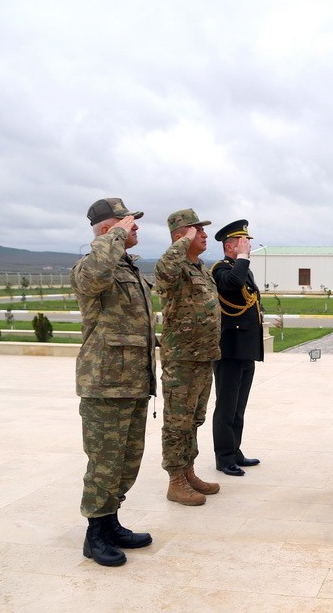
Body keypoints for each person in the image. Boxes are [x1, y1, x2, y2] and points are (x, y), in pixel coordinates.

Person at [71, 197, 156, 567]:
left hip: (134, 382)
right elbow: (95, 274)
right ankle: (94, 535)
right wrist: (113, 237)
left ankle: (111, 522)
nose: (134, 226)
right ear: (107, 230)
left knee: (126, 460)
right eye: (126, 222)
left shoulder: (129, 268)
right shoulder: (92, 267)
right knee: (104, 461)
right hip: (105, 382)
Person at [154, 209, 223, 505]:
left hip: (203, 357)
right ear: (181, 236)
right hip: (181, 358)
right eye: (198, 230)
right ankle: (175, 480)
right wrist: (183, 241)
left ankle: (189, 470)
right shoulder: (174, 268)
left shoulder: (200, 269)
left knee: (194, 419)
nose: (205, 234)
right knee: (176, 422)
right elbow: (164, 270)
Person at [211, 219, 264, 476]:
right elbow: (232, 285)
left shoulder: (242, 269)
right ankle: (223, 457)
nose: (249, 245)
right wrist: (242, 257)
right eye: (244, 242)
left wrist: (242, 259)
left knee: (239, 406)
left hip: (244, 349)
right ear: (230, 246)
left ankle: (235, 450)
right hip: (228, 350)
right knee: (226, 406)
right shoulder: (220, 270)